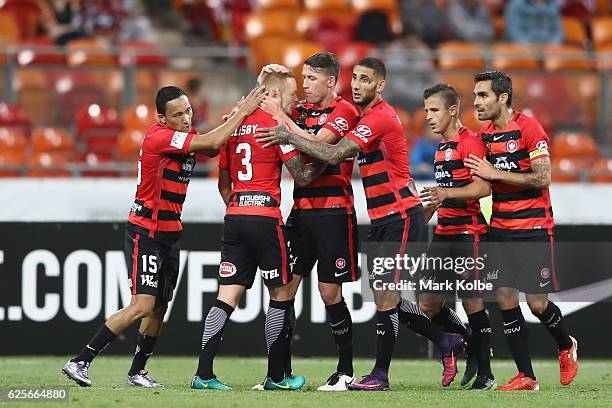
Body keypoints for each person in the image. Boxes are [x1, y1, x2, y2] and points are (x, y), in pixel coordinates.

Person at [256, 58, 465, 391]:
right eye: (355, 78)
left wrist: (283, 127)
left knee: (383, 298)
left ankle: (378, 375)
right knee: (387, 299)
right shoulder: (362, 117)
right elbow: (276, 108)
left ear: (379, 86)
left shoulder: (374, 117)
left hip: (398, 214)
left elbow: (334, 154)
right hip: (381, 218)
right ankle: (445, 340)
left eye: (364, 80)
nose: (357, 85)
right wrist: (270, 86)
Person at [62, 85, 265, 388]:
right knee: (142, 304)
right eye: (178, 114)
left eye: (188, 111)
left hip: (170, 233)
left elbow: (211, 146)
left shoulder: (183, 134)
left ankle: (137, 372)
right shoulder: (159, 138)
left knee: (159, 307)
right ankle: (80, 361)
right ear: (161, 118)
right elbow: (212, 141)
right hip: (147, 232)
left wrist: (234, 120)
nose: (186, 118)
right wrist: (244, 113)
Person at [191, 70, 326, 391]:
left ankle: (204, 374)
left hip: (235, 215)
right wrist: (326, 161)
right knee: (280, 295)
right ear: (276, 95)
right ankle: (277, 376)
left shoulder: (231, 121)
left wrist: (239, 206)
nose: (295, 101)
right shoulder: (274, 126)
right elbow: (302, 175)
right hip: (266, 218)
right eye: (292, 95)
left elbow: (223, 182)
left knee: (227, 296)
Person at [466, 71, 578, 390]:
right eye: (475, 95)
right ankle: (526, 376)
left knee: (537, 304)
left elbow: (542, 178)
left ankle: (565, 345)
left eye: (482, 95)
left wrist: (494, 171)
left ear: (502, 98)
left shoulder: (530, 129)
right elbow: (483, 181)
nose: (475, 102)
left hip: (532, 226)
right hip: (500, 227)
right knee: (504, 297)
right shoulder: (483, 135)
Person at [257, 52, 362, 391]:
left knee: (329, 291)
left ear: (331, 82)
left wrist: (284, 125)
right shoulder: (300, 110)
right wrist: (265, 81)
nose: (305, 84)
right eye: (303, 78)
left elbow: (320, 146)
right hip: (300, 211)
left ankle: (345, 370)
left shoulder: (345, 112)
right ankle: (279, 373)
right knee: (284, 289)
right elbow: (265, 107)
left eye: (312, 78)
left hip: (334, 212)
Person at [418, 84, 495, 390]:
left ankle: (486, 373)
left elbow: (483, 187)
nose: (427, 117)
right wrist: (423, 212)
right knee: (428, 303)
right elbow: (442, 196)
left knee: (472, 301)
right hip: (444, 231)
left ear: (452, 111)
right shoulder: (440, 148)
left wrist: (445, 193)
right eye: (426, 110)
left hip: (468, 232)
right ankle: (470, 344)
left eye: (433, 110)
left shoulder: (470, 142)